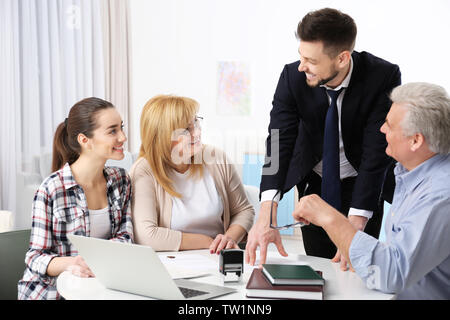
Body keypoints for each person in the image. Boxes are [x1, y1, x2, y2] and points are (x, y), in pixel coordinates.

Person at [245, 8, 401, 268]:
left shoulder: (382, 76)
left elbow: (377, 151)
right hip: (315, 184)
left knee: (357, 268)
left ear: (342, 59)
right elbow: (277, 141)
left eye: (312, 61)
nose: (302, 66)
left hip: (362, 183)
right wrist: (266, 214)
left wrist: (355, 225)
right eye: (301, 56)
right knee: (318, 269)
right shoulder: (292, 76)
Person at [293, 82, 450, 299]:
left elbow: (393, 274)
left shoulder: (440, 194)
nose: (382, 129)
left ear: (416, 140)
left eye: (389, 124)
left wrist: (329, 217)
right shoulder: (410, 174)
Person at [17, 97, 133, 300]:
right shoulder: (51, 189)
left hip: (97, 289)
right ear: (84, 140)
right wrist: (71, 263)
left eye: (121, 128)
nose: (123, 137)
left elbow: (126, 237)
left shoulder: (121, 181)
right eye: (112, 130)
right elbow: (35, 258)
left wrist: (96, 261)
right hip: (51, 293)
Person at [129, 95, 254, 253]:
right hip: (172, 262)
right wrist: (208, 241)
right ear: (162, 137)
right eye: (187, 129)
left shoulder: (215, 157)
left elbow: (244, 210)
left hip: (216, 256)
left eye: (196, 122)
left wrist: (228, 238)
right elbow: (146, 235)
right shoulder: (144, 170)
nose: (197, 132)